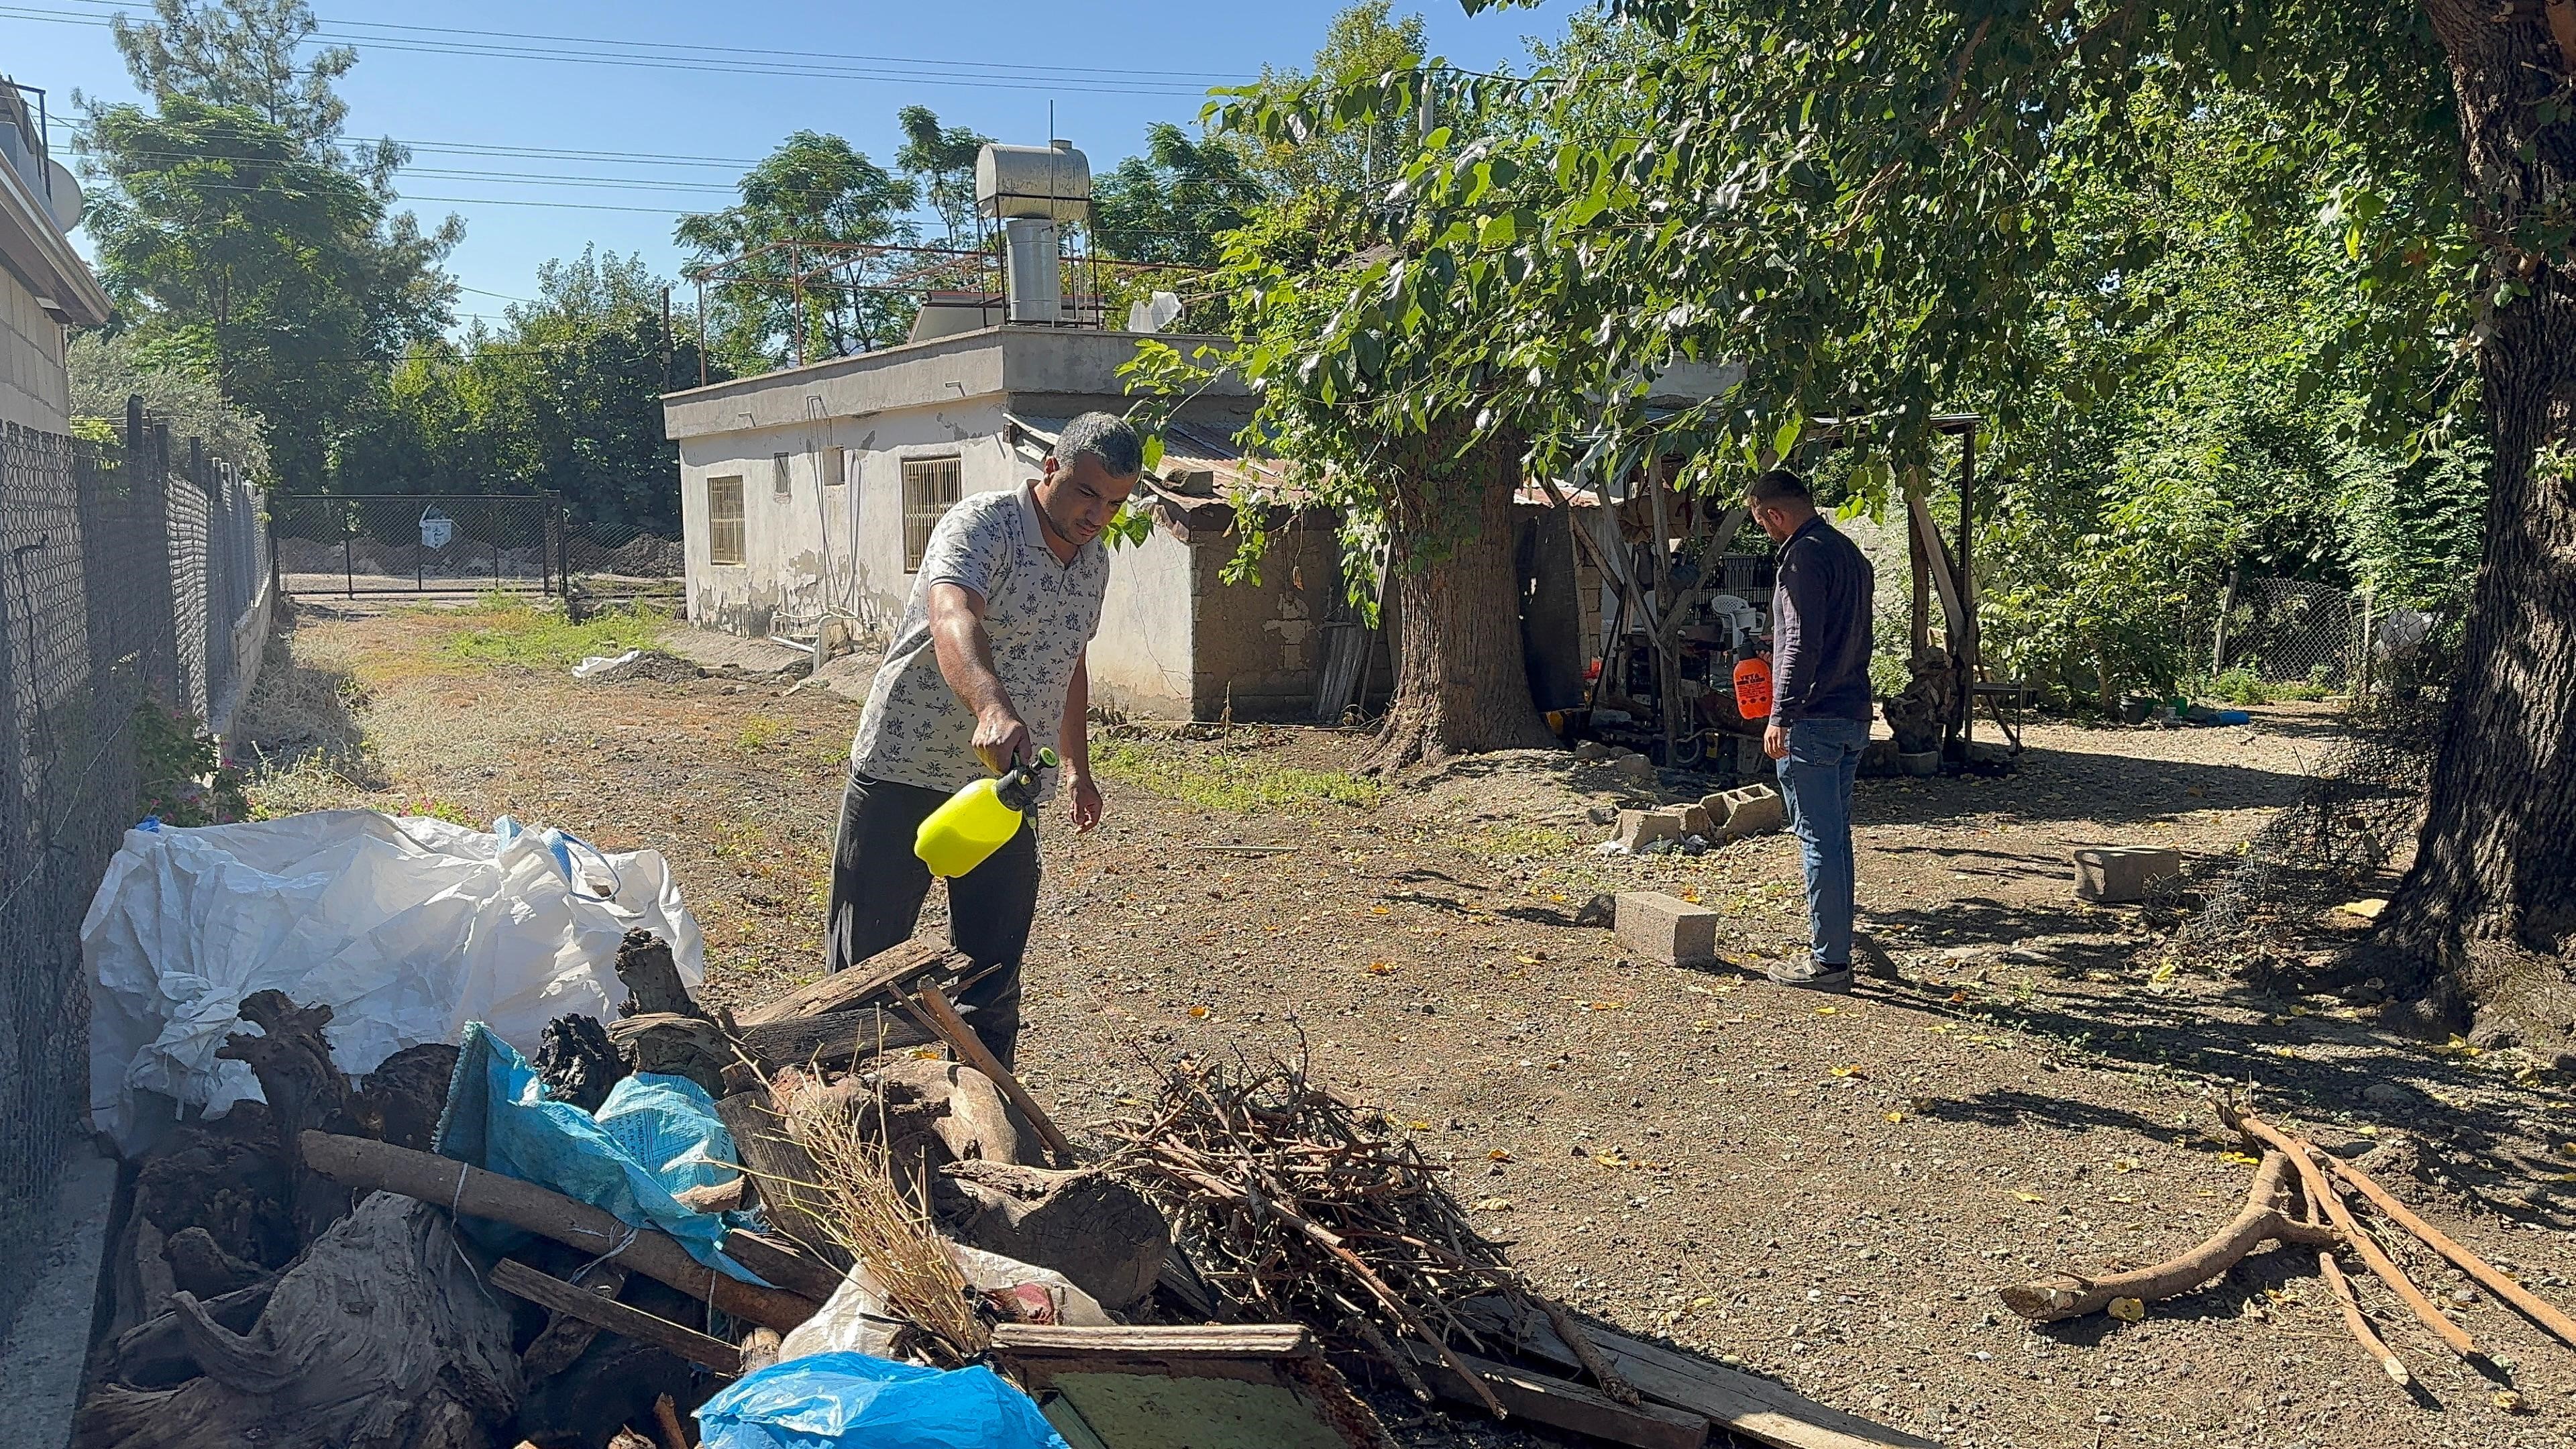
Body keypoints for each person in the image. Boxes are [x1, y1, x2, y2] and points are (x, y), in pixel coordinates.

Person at [824, 411, 1141, 1065]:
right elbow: (953, 616)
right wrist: (991, 707)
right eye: (1087, 493)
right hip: (905, 767)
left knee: (990, 980)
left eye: (1114, 503)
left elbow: (1070, 659)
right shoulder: (982, 525)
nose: (1098, 516)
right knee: (862, 972)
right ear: (1050, 469)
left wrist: (1077, 769)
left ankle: (987, 1109)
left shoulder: (1094, 563)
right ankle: (842, 1106)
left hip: (1003, 790)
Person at [1748, 467, 1875, 992]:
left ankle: (1829, 963)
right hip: (1852, 711)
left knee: (1818, 840)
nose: (1765, 533)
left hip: (1812, 720)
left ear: (1775, 514)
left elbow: (1801, 642)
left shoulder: (1801, 557)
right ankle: (1837, 949)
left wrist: (1780, 714)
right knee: (1836, 838)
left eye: (1762, 523)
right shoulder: (1849, 553)